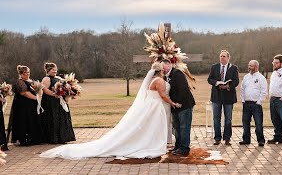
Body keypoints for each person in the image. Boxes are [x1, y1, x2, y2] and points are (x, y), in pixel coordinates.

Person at [40, 62, 181, 159]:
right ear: (161, 70)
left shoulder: (152, 80)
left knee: (147, 127)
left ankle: (148, 142)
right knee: (152, 127)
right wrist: (173, 103)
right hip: (155, 107)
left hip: (150, 106)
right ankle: (149, 145)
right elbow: (162, 95)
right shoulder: (160, 81)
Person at [162, 59, 195, 156]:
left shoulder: (177, 73)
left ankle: (184, 149)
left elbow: (183, 88)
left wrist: (179, 102)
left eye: (163, 66)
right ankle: (178, 146)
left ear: (169, 65)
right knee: (177, 127)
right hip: (174, 106)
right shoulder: (165, 77)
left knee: (184, 127)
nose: (162, 69)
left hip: (184, 105)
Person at [207, 50, 239, 146]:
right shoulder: (214, 67)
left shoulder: (233, 68)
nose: (222, 58)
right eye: (221, 56)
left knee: (228, 119)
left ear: (228, 58)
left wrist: (228, 86)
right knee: (216, 118)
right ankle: (217, 138)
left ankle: (227, 138)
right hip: (216, 96)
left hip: (229, 97)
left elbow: (236, 81)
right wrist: (217, 83)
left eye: (224, 56)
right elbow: (209, 79)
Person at [41, 62, 76, 144]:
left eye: (55, 69)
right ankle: (53, 138)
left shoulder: (58, 78)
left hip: (60, 101)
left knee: (62, 118)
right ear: (48, 70)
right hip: (51, 102)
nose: (55, 71)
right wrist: (54, 94)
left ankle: (62, 137)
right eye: (53, 69)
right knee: (53, 119)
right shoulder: (46, 79)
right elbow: (45, 89)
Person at [9, 65, 43, 146]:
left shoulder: (30, 80)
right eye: (25, 72)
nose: (28, 74)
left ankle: (33, 138)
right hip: (23, 105)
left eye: (28, 72)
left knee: (31, 120)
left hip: (31, 105)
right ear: (21, 74)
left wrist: (39, 94)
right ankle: (23, 139)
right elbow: (24, 93)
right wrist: (36, 98)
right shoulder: (20, 82)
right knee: (24, 120)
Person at [239, 60, 268, 147]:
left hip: (256, 105)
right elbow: (242, 89)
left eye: (251, 66)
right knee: (245, 123)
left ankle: (261, 140)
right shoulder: (246, 77)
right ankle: (246, 139)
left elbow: (264, 91)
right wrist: (243, 100)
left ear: (256, 67)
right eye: (249, 65)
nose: (249, 67)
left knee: (258, 123)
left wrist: (259, 102)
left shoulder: (261, 78)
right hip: (246, 104)